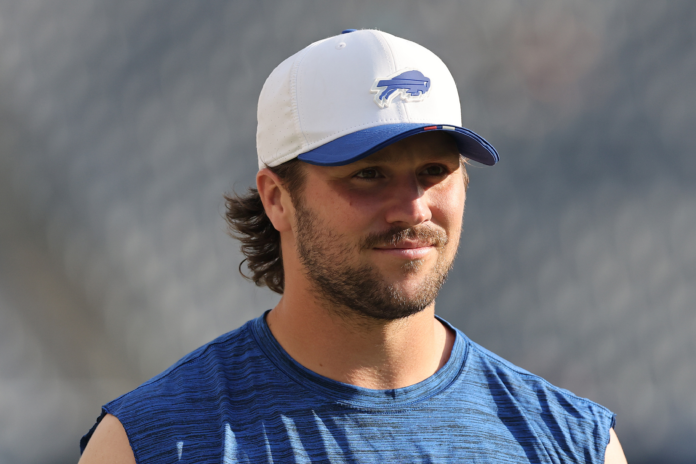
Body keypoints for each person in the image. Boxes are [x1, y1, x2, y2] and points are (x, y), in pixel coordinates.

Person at [78, 29, 627, 463]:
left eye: (434, 171)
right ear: (277, 199)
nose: (412, 208)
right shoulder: (151, 443)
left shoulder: (574, 442)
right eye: (368, 174)